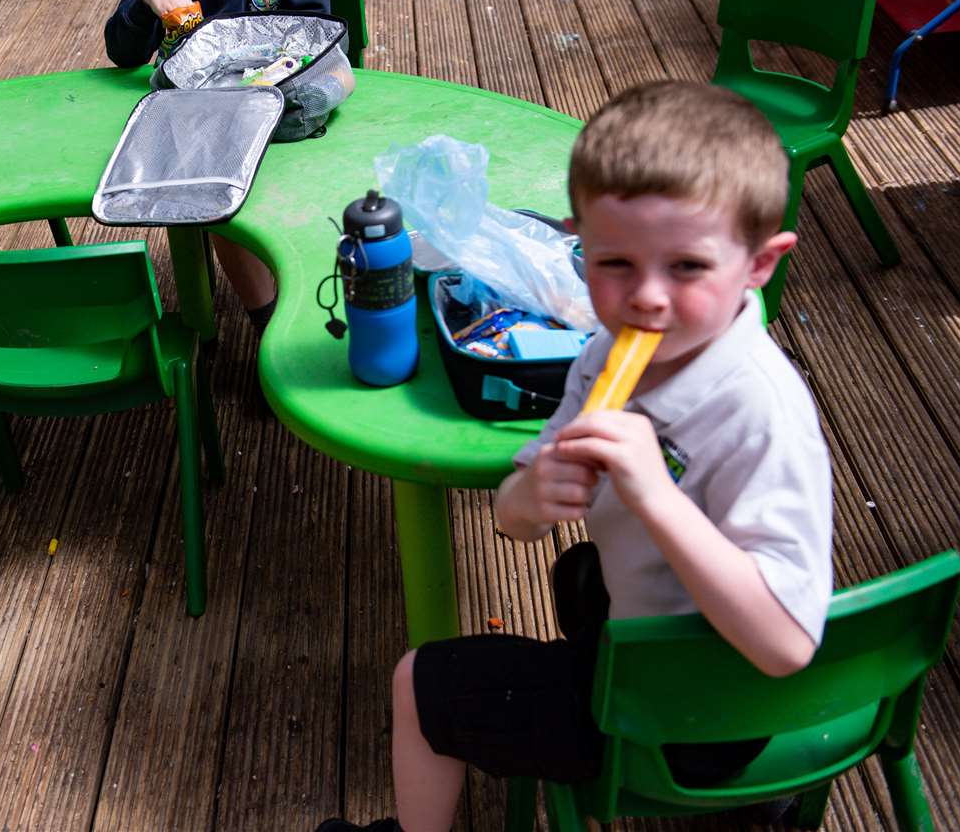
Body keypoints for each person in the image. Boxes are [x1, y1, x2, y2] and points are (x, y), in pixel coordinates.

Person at [317, 81, 834, 832]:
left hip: (709, 708)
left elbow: (786, 645)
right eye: (614, 263)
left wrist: (655, 495)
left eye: (687, 267)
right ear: (574, 243)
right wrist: (531, 495)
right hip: (656, 631)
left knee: (420, 681)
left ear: (760, 265)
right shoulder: (603, 355)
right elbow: (516, 516)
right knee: (577, 576)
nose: (647, 298)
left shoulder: (759, 414)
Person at [104, 0, 330, 331]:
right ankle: (270, 324)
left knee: (277, 202)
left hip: (282, 114)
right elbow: (121, 53)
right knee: (216, 202)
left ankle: (297, 298)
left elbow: (315, 38)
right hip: (200, 123)